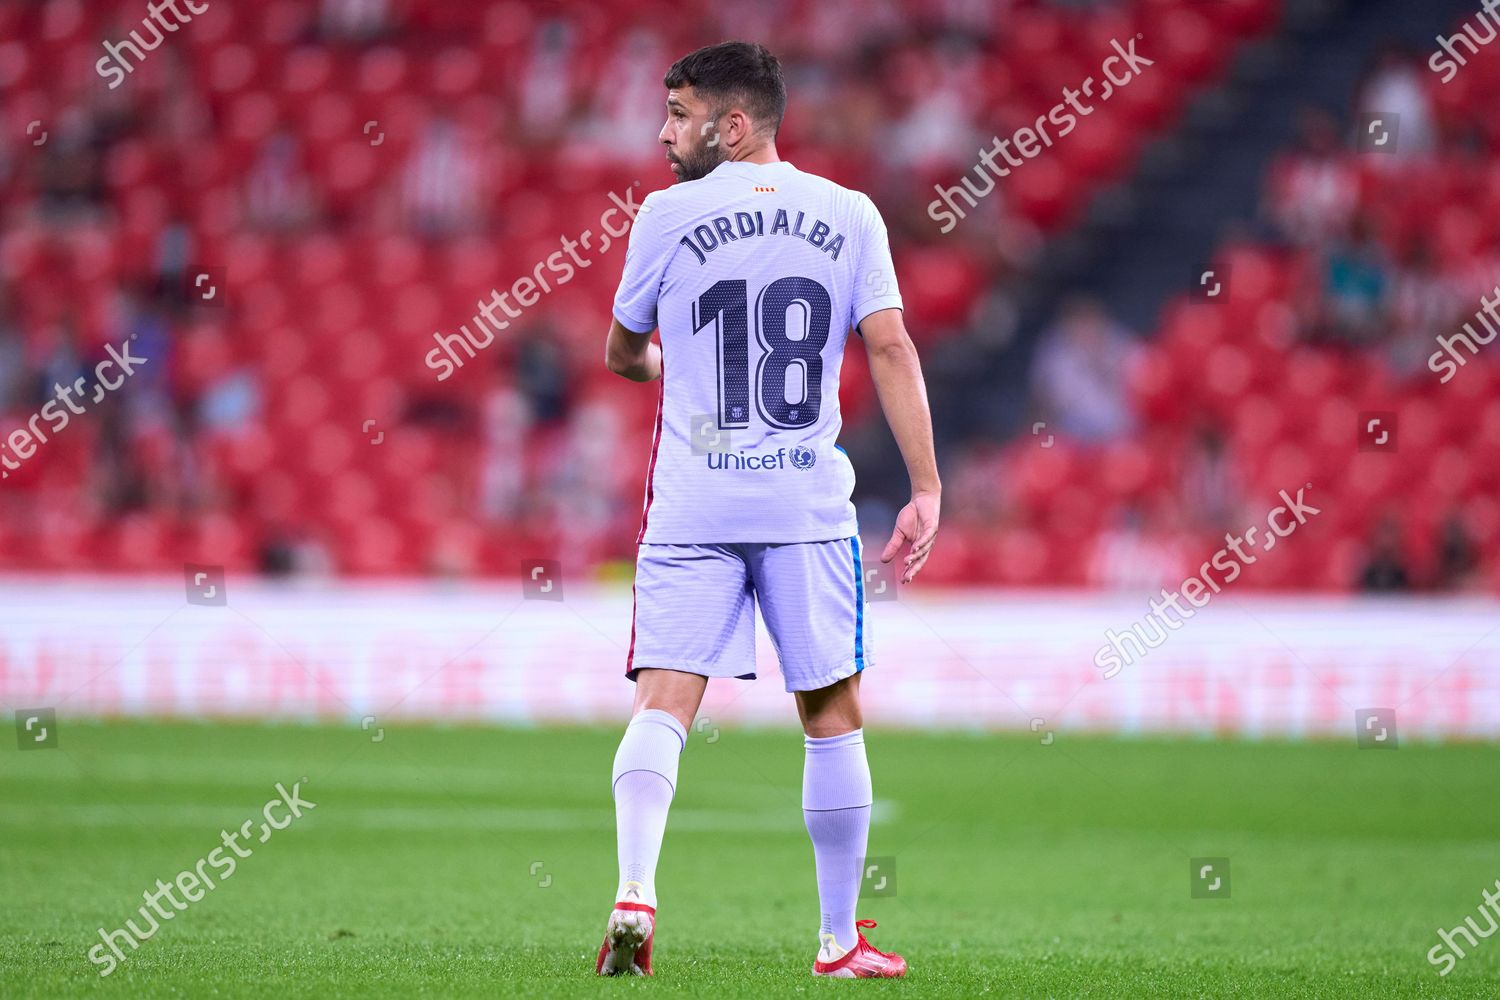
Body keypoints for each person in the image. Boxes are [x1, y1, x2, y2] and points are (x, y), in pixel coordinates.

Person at [598, 41, 939, 979]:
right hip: (804, 504)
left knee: (664, 700)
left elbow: (624, 354)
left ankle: (635, 888)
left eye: (678, 114)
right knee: (830, 710)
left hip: (694, 504)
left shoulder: (664, 217)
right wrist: (926, 488)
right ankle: (837, 942)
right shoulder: (850, 214)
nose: (665, 134)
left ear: (732, 125)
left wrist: (668, 367)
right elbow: (894, 349)